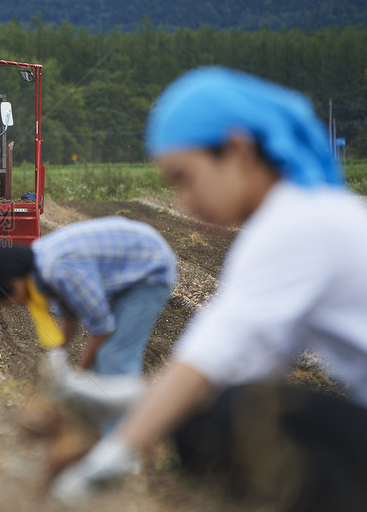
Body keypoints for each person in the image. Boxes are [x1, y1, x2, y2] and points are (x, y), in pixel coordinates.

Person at [50, 67, 367, 512]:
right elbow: (242, 366)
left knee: (222, 422)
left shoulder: (296, 224)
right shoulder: (306, 213)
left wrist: (115, 452)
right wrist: (134, 396)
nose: (183, 202)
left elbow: (211, 359)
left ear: (237, 150)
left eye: (184, 177)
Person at [0, 218, 177, 433]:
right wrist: (59, 353)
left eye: (3, 298)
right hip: (123, 270)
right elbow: (70, 312)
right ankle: (102, 428)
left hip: (149, 267)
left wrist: (76, 376)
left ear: (12, 279)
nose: (9, 304)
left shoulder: (58, 269)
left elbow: (102, 328)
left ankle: (123, 442)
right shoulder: (39, 266)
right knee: (103, 364)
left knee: (114, 356)